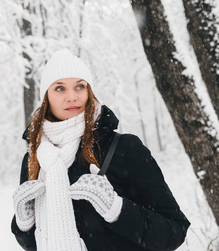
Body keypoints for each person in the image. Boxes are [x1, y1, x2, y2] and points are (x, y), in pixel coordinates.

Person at [11, 49, 190, 251]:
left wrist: (116, 208)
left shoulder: (124, 148)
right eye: (59, 88)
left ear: (89, 92)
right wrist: (23, 224)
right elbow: (36, 244)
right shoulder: (34, 159)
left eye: (80, 86)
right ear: (46, 98)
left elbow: (175, 230)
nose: (72, 97)